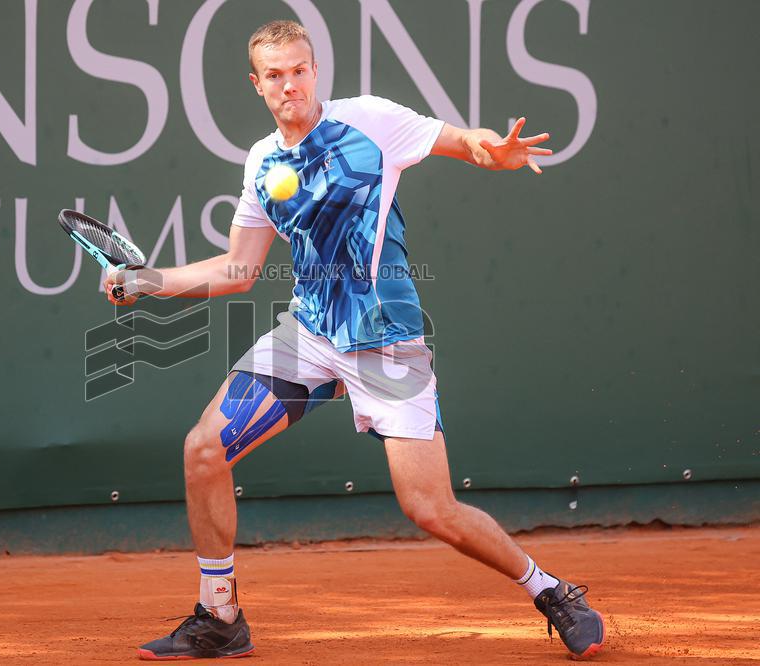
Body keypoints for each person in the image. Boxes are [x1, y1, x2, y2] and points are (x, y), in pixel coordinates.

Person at [105, 19, 605, 661]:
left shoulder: (370, 120)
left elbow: (462, 140)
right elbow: (238, 269)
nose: (291, 84)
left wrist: (492, 150)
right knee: (204, 452)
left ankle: (552, 590)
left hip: (386, 341)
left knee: (430, 508)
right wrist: (147, 280)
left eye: (300, 69)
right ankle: (219, 617)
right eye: (275, 75)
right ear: (256, 85)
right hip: (310, 336)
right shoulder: (262, 162)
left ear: (315, 70)